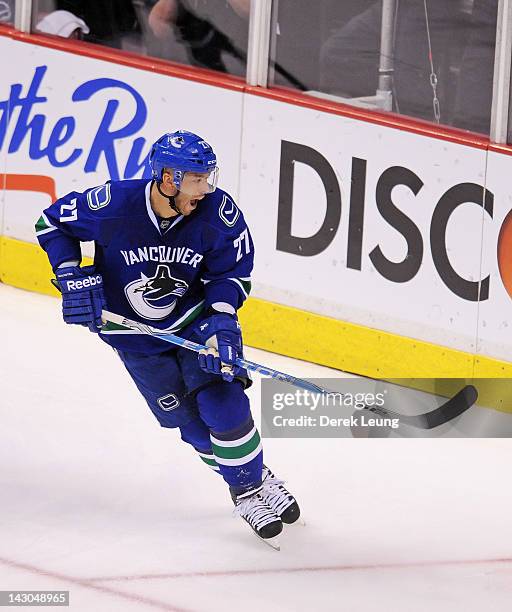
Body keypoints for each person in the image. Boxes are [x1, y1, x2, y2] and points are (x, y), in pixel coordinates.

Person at [35, 130, 300, 545]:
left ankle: (246, 491)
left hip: (194, 325)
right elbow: (50, 223)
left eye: (208, 177)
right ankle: (254, 475)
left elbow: (232, 273)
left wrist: (223, 320)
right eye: (197, 179)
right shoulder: (114, 205)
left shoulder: (218, 213)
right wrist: (69, 273)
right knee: (192, 428)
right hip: (133, 336)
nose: (206, 188)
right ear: (169, 178)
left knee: (223, 401)